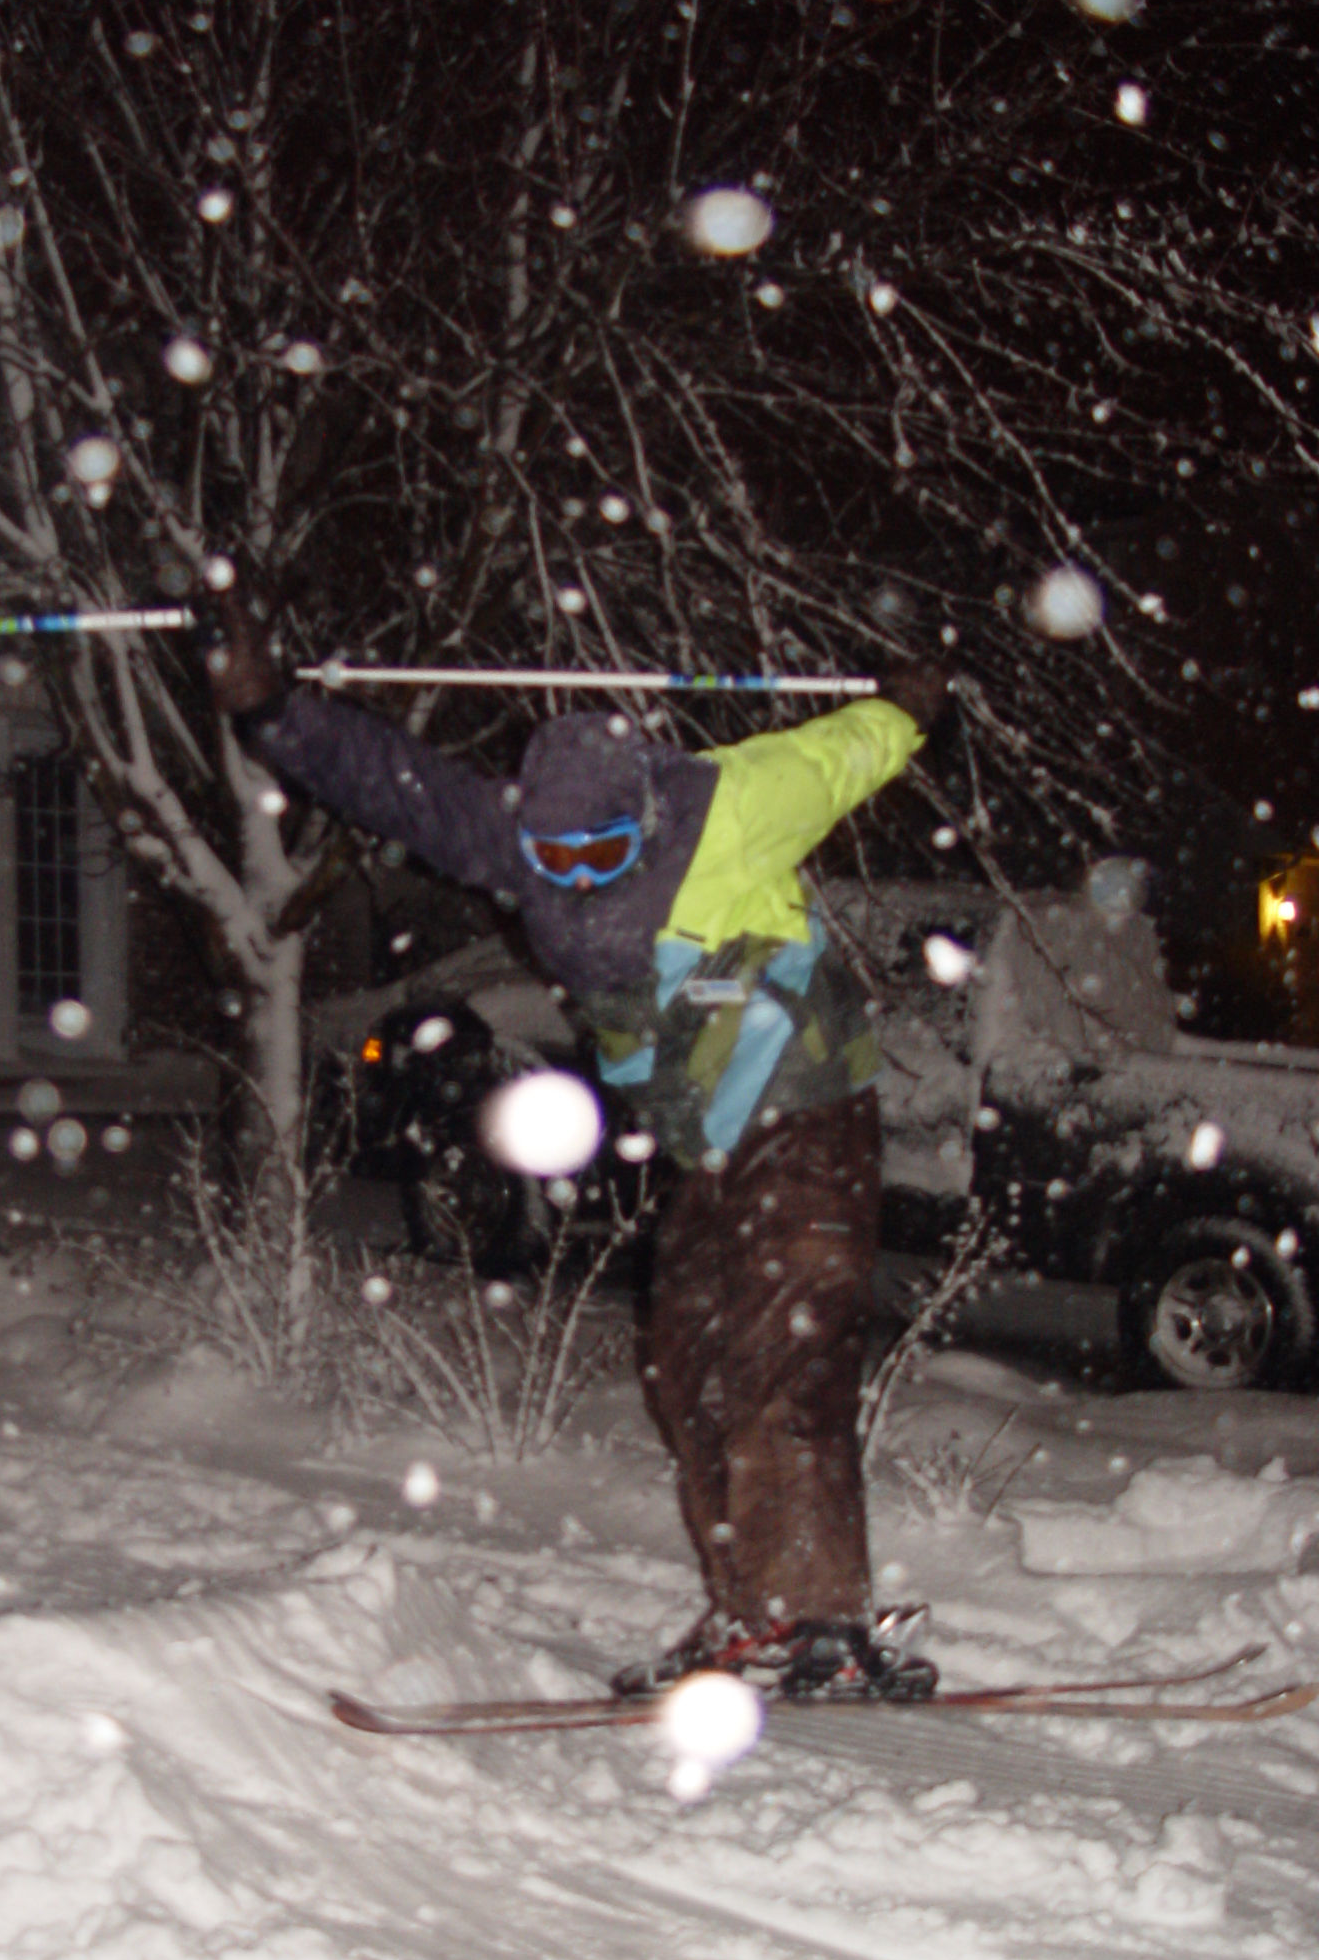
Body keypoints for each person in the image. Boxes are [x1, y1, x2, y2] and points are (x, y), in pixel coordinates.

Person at [205, 592, 950, 1697]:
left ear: (642, 818)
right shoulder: (514, 840)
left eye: (602, 852)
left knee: (784, 1349)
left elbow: (847, 751)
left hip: (805, 1104)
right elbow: (392, 783)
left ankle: (813, 1616)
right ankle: (753, 1610)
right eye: (557, 856)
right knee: (687, 1354)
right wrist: (270, 709)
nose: (579, 877)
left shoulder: (737, 802)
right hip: (707, 1136)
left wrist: (908, 706)